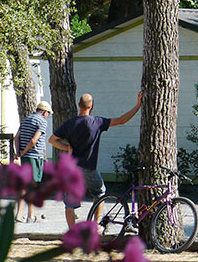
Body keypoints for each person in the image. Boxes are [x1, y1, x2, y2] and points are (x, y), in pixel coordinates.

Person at [49, 91, 142, 227]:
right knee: (100, 192)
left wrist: (67, 147)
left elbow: (52, 140)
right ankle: (96, 224)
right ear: (92, 107)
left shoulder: (70, 123)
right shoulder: (97, 122)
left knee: (70, 203)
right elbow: (122, 120)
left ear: (79, 105)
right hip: (88, 166)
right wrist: (138, 104)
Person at [13, 100, 53, 222]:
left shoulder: (25, 119)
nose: (48, 116)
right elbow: (34, 141)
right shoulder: (42, 121)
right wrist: (24, 152)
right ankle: (30, 216)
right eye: (48, 114)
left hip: (25, 158)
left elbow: (16, 137)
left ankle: (18, 214)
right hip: (34, 156)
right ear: (44, 112)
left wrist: (18, 152)